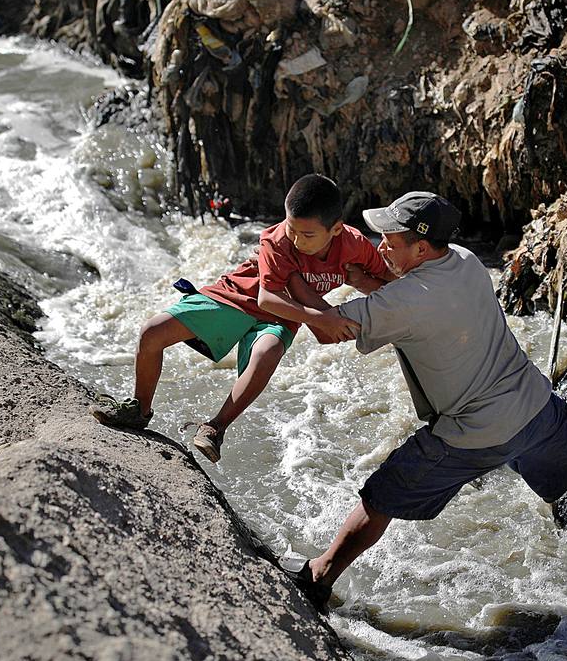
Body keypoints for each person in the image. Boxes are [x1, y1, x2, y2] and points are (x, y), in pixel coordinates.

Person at [294, 191, 567, 609]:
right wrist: (364, 281)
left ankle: (320, 574)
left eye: (391, 240)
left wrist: (292, 283)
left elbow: (332, 328)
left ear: (421, 247)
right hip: (533, 405)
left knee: (380, 496)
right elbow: (418, 295)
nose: (381, 247)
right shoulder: (464, 260)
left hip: (473, 434)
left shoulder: (402, 302)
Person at [94, 174, 392, 462]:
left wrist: (365, 284)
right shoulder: (276, 240)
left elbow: (388, 282)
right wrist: (323, 319)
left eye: (308, 235)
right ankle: (139, 409)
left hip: (280, 319)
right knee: (152, 332)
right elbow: (267, 297)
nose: (298, 241)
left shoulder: (355, 246)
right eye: (292, 229)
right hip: (237, 297)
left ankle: (215, 427)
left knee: (269, 351)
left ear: (336, 229)